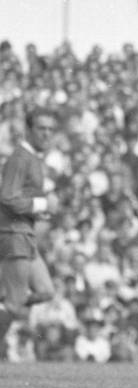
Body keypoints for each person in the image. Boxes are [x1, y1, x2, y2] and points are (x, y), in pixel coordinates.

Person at [0, 108, 58, 355]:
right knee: (14, 304)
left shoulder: (33, 158)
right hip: (14, 235)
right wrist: (42, 204)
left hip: (26, 234)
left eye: (50, 129)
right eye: (41, 128)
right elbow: (7, 197)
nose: (47, 134)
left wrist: (39, 209)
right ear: (28, 130)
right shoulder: (20, 158)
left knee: (45, 291)